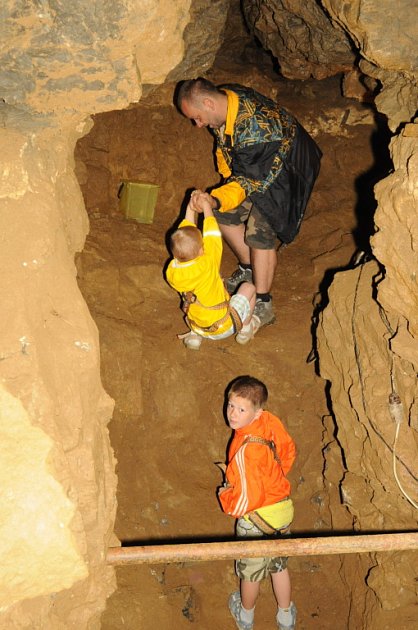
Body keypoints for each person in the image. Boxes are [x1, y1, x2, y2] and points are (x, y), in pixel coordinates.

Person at [175, 78, 322, 328]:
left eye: (197, 117)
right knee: (223, 216)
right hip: (260, 162)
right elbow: (225, 148)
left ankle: (263, 303)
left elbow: (247, 182)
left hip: (290, 166)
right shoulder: (224, 103)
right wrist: (224, 185)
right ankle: (249, 269)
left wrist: (217, 198)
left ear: (208, 103)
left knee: (260, 231)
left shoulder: (256, 132)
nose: (197, 125)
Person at [218, 375, 297, 630]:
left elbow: (242, 504)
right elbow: (287, 449)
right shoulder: (268, 421)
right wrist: (274, 476)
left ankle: (246, 617)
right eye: (231, 405)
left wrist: (225, 494)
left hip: (257, 520)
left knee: (250, 574)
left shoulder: (245, 451)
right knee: (278, 565)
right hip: (282, 508)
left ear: (256, 412)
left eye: (242, 409)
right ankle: (286, 617)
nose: (233, 413)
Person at [165, 194, 260, 350]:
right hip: (224, 325)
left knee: (196, 304)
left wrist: (191, 207)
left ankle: (195, 337)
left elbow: (184, 237)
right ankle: (245, 329)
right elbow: (212, 233)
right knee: (249, 287)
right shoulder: (208, 263)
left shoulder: (172, 270)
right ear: (202, 250)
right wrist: (207, 207)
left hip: (196, 324)